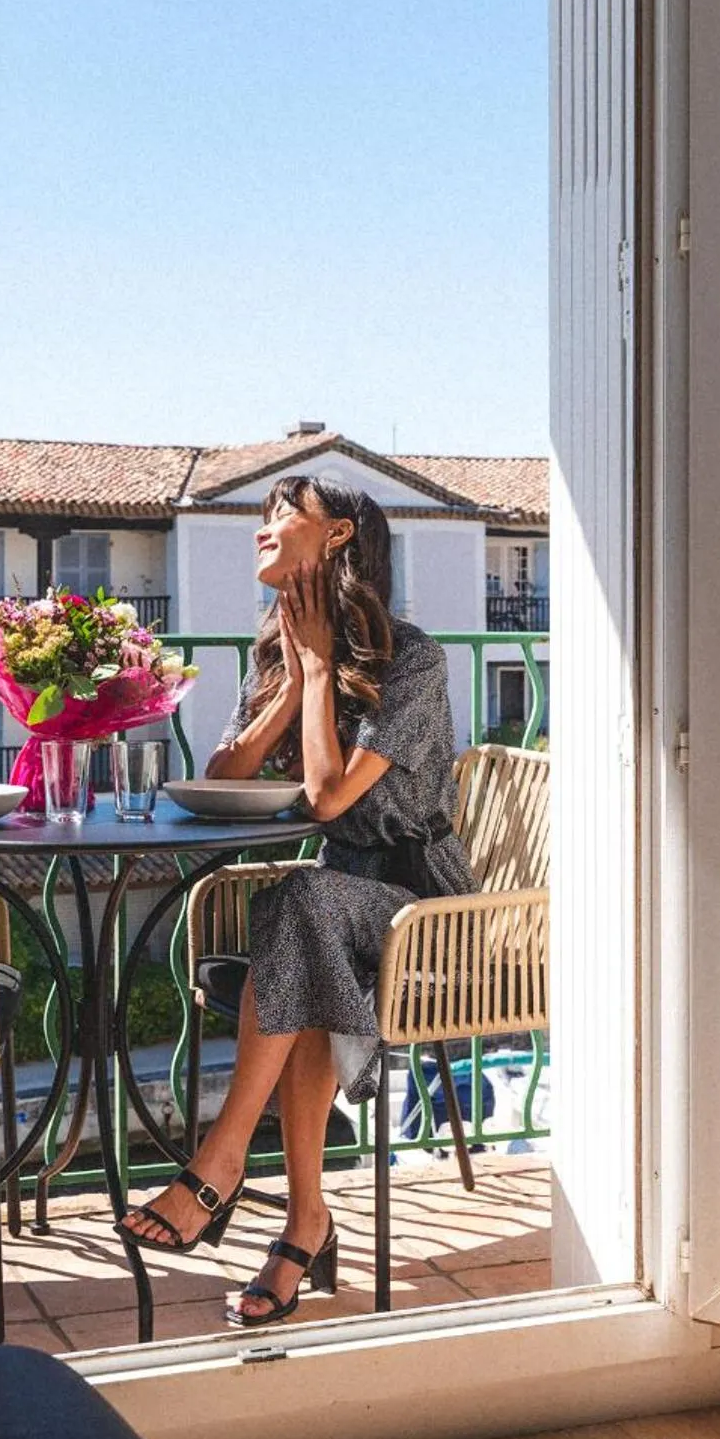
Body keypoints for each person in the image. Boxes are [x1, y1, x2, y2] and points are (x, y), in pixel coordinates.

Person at [117, 474, 475, 1327]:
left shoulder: (414, 659)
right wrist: (291, 676)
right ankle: (303, 1220)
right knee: (304, 916)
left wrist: (319, 670)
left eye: (284, 515)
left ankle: (220, 1164)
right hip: (335, 899)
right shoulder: (278, 647)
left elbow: (324, 800)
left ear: (341, 537)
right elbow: (223, 777)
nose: (261, 530)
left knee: (301, 902)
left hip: (422, 905)